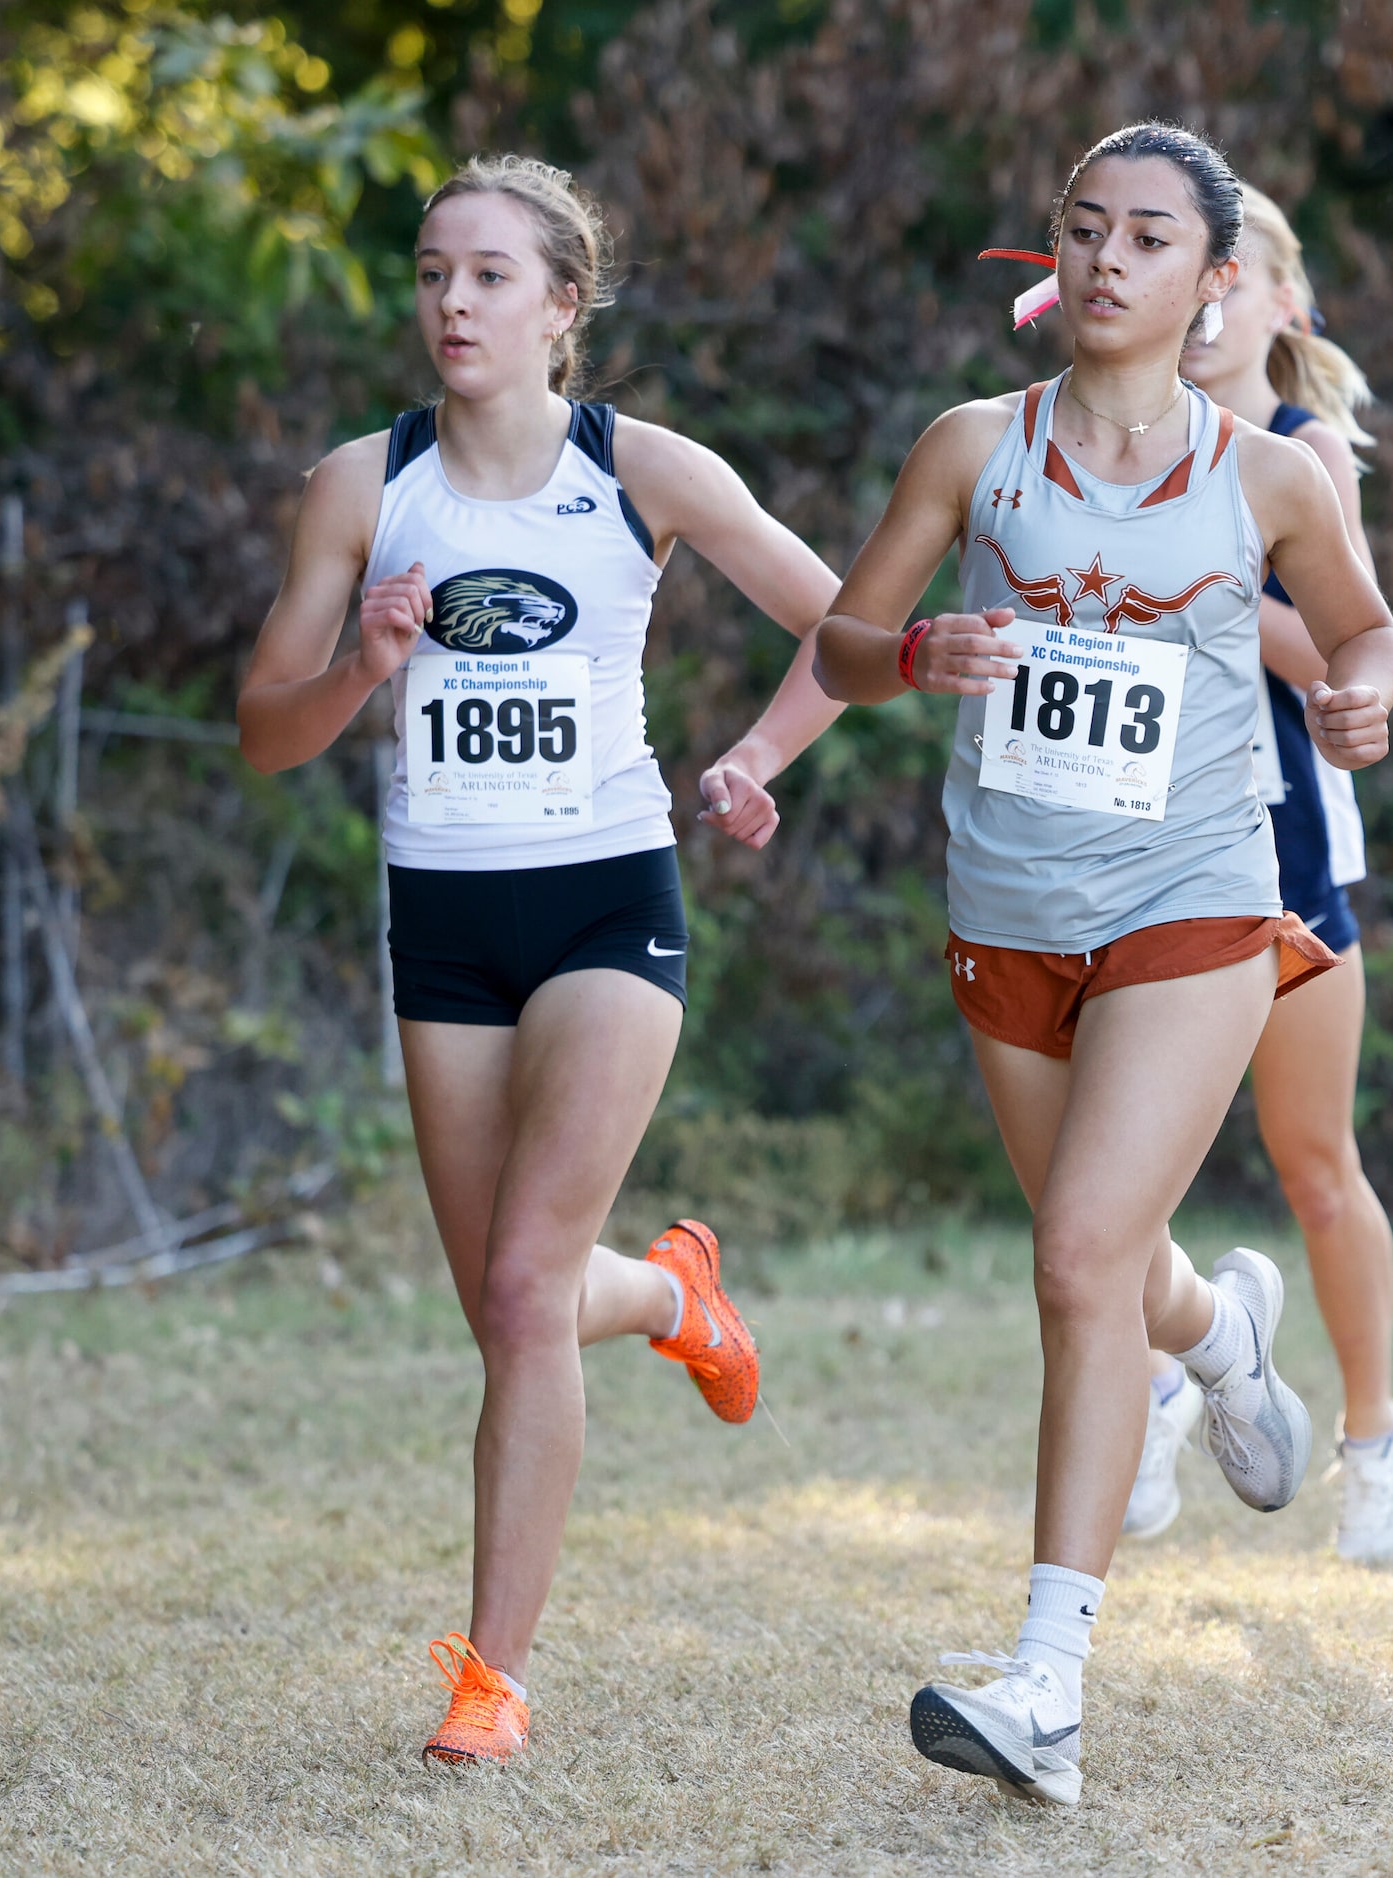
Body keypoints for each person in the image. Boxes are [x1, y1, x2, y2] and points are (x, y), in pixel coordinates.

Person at [813, 122, 1393, 1806]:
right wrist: (919, 648)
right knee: (1106, 1260)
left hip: (1197, 896)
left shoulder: (1271, 472)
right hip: (1008, 903)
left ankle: (1048, 1685)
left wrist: (1366, 693)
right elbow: (848, 644)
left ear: (1215, 280)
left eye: (1148, 237)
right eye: (1082, 229)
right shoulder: (970, 448)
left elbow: (1361, 629)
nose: (1105, 260)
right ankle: (1221, 1335)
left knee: (1076, 1254)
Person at [236, 154, 848, 1766]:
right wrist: (361, 663)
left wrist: (764, 753)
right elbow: (261, 732)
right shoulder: (358, 487)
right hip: (442, 921)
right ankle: (671, 1291)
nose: (452, 301)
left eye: (490, 275)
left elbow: (839, 625)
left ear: (563, 305)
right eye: (434, 272)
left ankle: (491, 1683)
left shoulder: (636, 467)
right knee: (507, 1304)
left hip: (604, 901)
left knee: (519, 1288)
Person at [1122, 182, 1393, 1565]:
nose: (1213, 297)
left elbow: (1333, 644)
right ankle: (1166, 1375)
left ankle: (1371, 1439)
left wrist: (1212, 594)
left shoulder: (1299, 455)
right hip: (1132, 830)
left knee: (1313, 1157)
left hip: (1284, 833)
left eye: (1243, 276)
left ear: (1281, 303)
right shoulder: (1114, 438)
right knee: (1119, 1175)